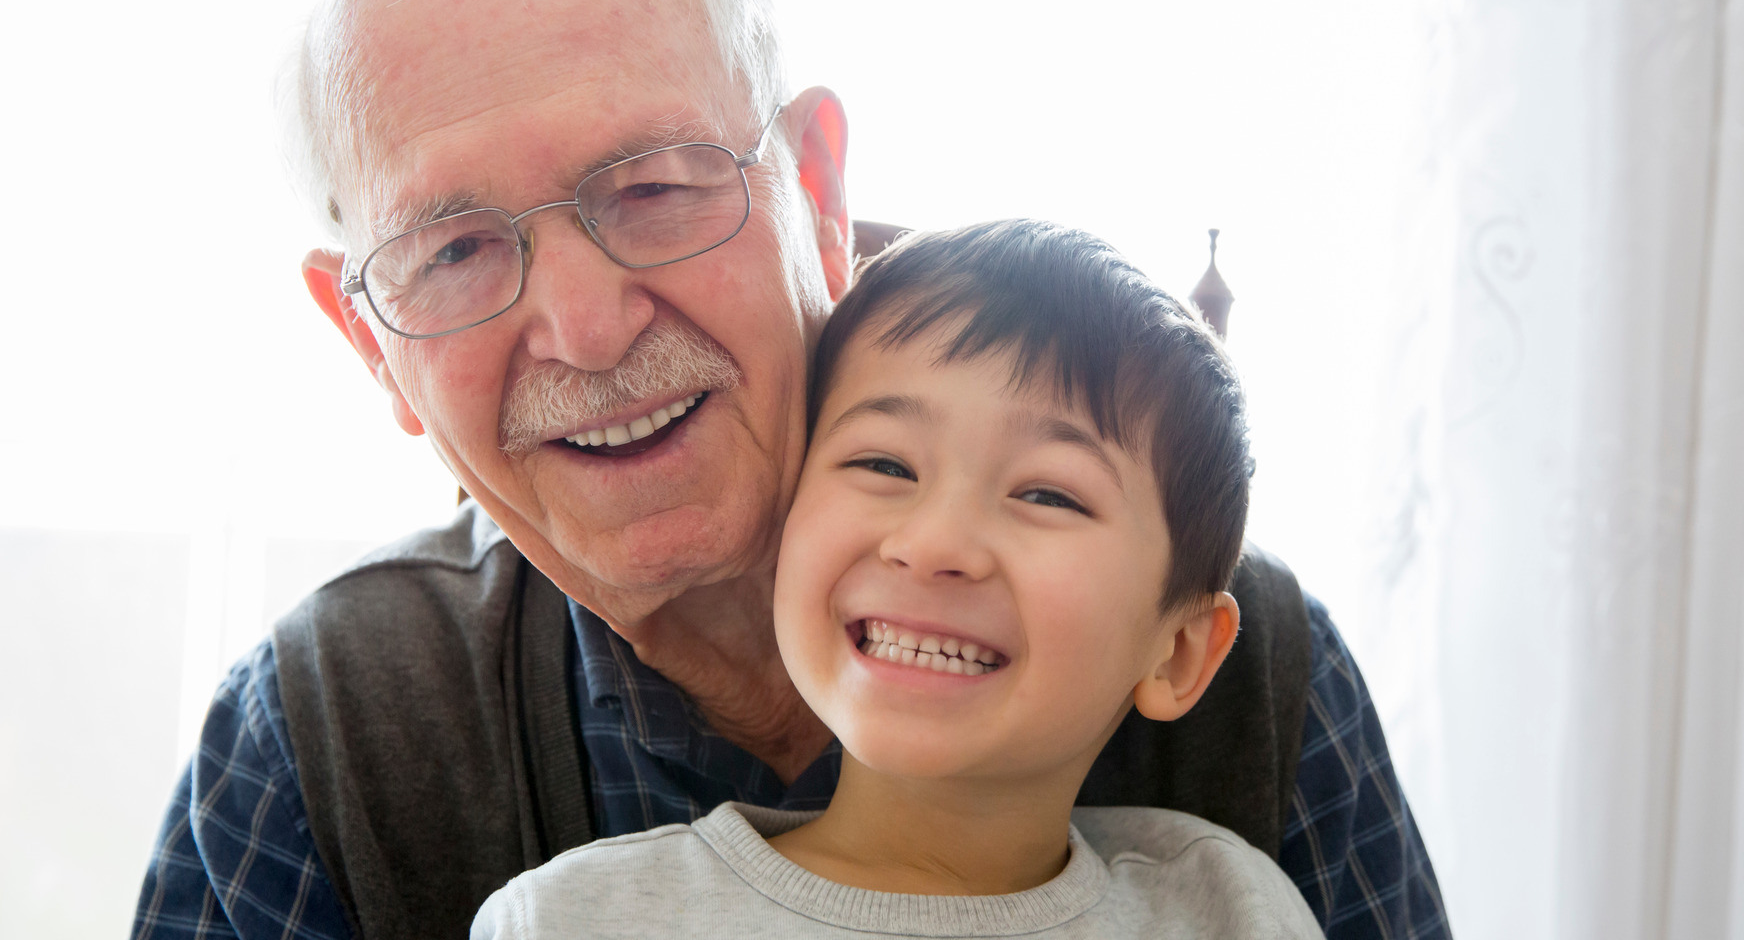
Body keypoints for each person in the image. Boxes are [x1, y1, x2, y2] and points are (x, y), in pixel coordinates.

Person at [133, 0, 1448, 940]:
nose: (589, 327)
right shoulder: (321, 740)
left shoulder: (1240, 668)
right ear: (372, 341)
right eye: (457, 250)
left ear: (815, 188)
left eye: (651, 186)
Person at [471, 219, 1327, 938]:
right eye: (883, 463)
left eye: (1047, 494)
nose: (934, 542)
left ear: (1178, 653)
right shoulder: (571, 921)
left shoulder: (1234, 911)